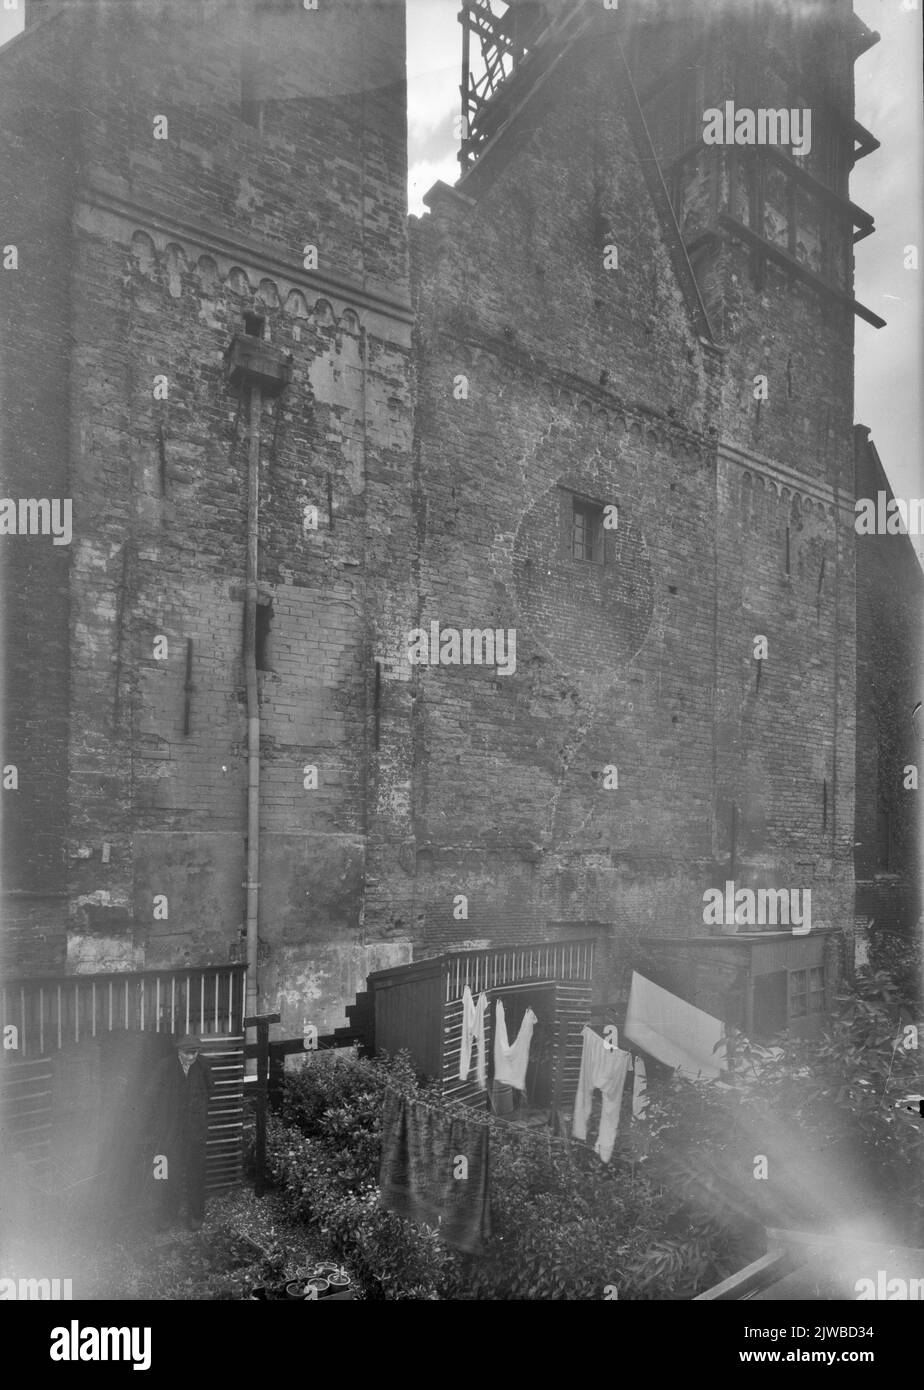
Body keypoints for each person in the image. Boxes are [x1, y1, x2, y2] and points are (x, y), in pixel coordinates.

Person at [147, 1034, 212, 1232]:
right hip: (171, 1133)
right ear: (178, 1051)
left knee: (196, 1175)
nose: (191, 1057)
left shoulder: (203, 1066)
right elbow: (151, 1095)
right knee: (168, 1176)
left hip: (195, 1133)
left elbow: (211, 1091)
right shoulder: (164, 1067)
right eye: (187, 1053)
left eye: (195, 1053)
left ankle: (196, 1215)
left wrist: (197, 1114)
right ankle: (168, 1215)